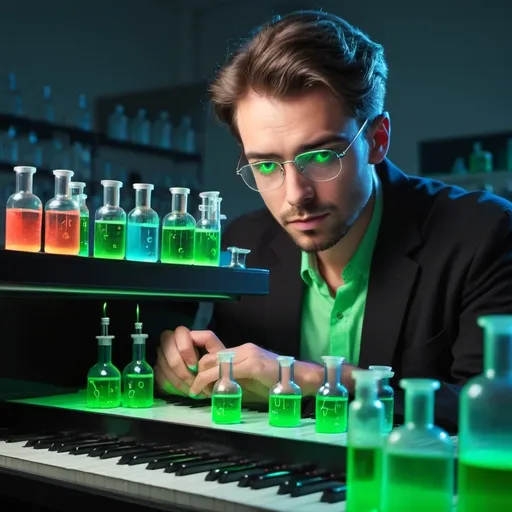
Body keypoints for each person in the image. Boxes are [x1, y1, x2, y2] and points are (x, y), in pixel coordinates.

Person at [154, 10, 512, 431]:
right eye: (266, 166)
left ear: (377, 140)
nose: (295, 195)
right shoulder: (245, 242)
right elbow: (234, 385)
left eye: (322, 156)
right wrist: (185, 367)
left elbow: (496, 414)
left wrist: (317, 380)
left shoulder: (484, 234)